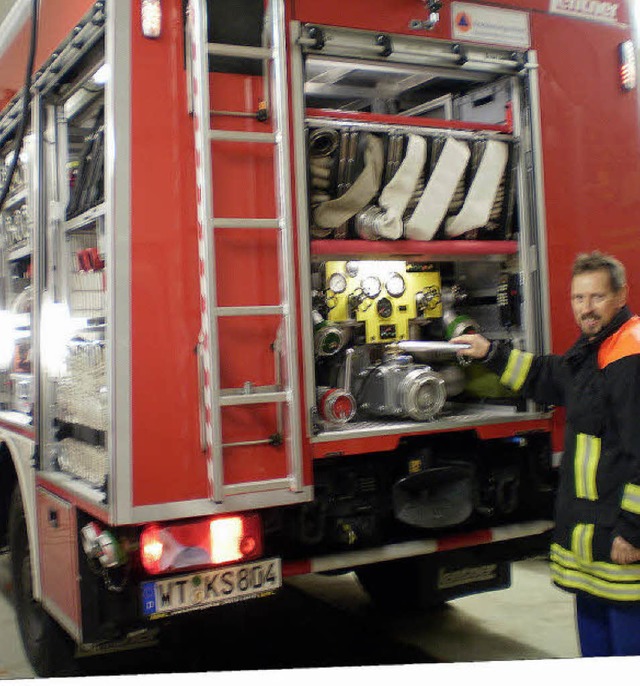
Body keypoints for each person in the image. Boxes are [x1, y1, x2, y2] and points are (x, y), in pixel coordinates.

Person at [452, 250, 640, 658]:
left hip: (619, 541)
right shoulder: (597, 347)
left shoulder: (629, 358)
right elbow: (550, 375)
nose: (586, 309)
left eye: (597, 297)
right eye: (578, 298)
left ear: (621, 295)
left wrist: (633, 530)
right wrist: (490, 353)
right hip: (593, 539)